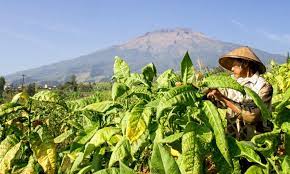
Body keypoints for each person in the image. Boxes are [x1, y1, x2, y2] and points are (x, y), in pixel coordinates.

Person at [207, 46, 273, 141]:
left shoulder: (263, 86)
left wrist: (223, 99)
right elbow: (219, 102)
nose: (232, 68)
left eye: (234, 65)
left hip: (257, 139)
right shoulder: (232, 83)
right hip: (234, 137)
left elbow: (252, 116)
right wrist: (209, 94)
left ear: (245, 63)